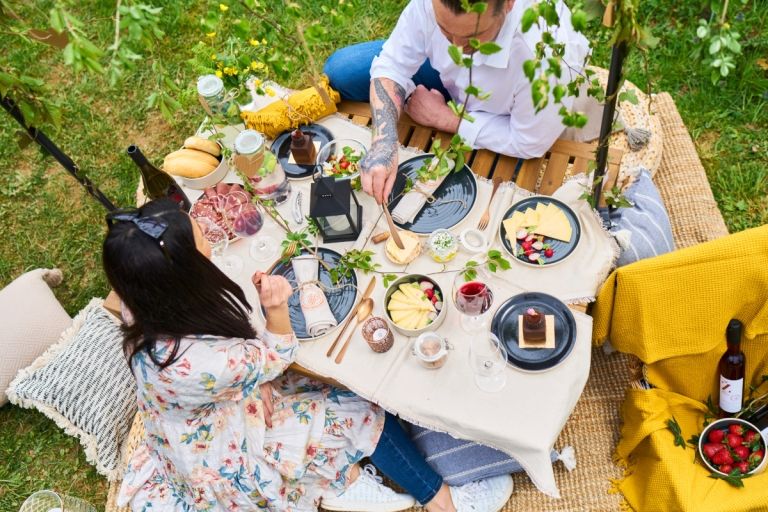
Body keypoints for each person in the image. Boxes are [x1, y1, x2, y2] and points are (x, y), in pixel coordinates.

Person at [106, 199, 514, 512]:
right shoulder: (196, 363)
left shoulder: (142, 301)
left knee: (323, 382)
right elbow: (279, 355)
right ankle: (445, 501)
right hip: (228, 446)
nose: (210, 236)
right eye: (201, 237)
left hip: (206, 408)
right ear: (183, 274)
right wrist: (277, 310)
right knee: (360, 404)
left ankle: (347, 476)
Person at [323, 0, 590, 204]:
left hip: (500, 118)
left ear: (508, 4)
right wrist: (384, 143)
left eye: (474, 38)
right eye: (445, 32)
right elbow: (392, 65)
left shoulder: (547, 61)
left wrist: (446, 119)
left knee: (477, 202)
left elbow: (527, 141)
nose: (458, 49)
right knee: (341, 70)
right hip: (447, 81)